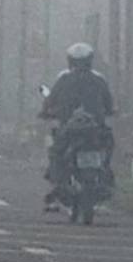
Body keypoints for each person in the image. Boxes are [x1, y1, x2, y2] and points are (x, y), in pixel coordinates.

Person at [38, 41, 114, 211]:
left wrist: (45, 112)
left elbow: (50, 101)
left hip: (69, 128)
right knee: (107, 149)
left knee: (56, 152)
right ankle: (106, 180)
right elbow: (109, 105)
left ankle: (56, 186)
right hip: (96, 128)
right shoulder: (99, 79)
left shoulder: (64, 78)